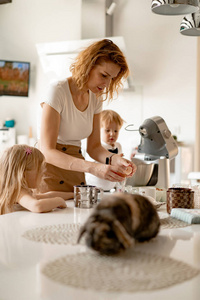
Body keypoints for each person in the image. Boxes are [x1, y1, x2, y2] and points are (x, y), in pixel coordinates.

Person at [38, 39, 137, 193]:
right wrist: (93, 168)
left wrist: (114, 159)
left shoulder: (95, 96)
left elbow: (94, 147)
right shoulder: (57, 90)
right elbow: (47, 151)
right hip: (50, 169)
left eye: (111, 78)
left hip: (76, 168)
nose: (106, 84)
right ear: (88, 66)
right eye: (104, 75)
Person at [0, 145, 73, 215]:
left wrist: (72, 195)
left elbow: (48, 195)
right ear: (23, 173)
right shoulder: (18, 192)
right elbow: (37, 206)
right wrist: (58, 201)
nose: (43, 173)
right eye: (39, 170)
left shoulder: (21, 191)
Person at [85, 109, 125, 190]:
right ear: (98, 131)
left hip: (110, 186)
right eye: (107, 130)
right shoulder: (95, 147)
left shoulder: (118, 146)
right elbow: (92, 165)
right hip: (94, 186)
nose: (112, 134)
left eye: (116, 131)